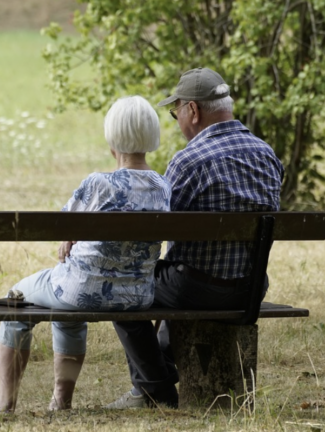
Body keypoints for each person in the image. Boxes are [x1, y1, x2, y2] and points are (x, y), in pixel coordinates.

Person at [106, 67, 284, 409]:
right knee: (177, 273)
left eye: (176, 114)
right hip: (250, 289)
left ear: (193, 110)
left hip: (196, 289)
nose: (178, 122)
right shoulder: (267, 155)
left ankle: (154, 389)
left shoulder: (189, 161)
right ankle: (161, 371)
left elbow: (157, 228)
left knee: (121, 285)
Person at [0, 95, 172, 413]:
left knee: (15, 300)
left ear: (112, 138)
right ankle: (60, 401)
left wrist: (69, 237)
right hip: (136, 296)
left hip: (81, 290)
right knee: (67, 309)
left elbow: (63, 225)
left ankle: (5, 403)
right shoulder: (163, 186)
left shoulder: (98, 183)